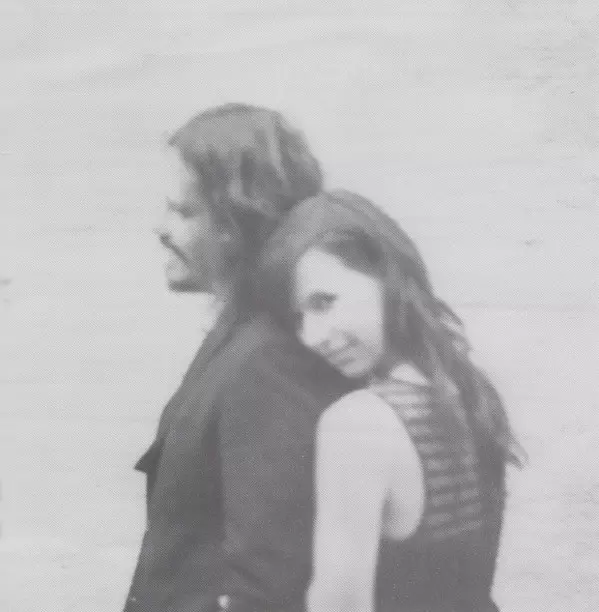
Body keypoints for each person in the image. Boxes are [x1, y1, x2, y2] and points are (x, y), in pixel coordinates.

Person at [123, 104, 358, 612]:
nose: (159, 228)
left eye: (183, 212)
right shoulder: (237, 340)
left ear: (236, 224)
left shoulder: (265, 363)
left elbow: (271, 585)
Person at [255, 190, 525, 612]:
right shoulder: (471, 392)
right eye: (298, 318)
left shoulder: (357, 423)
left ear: (387, 277)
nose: (312, 337)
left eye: (324, 302)